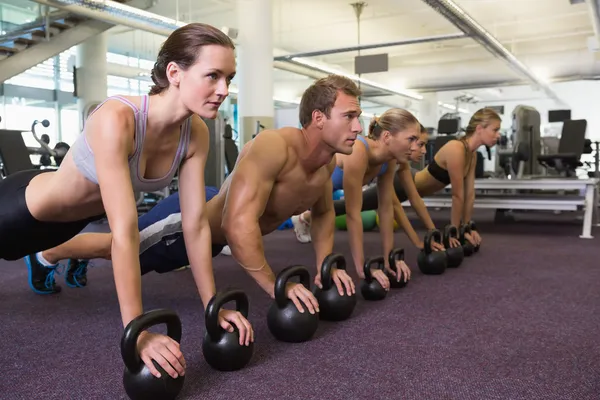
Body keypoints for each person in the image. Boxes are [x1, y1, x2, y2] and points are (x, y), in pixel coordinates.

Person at [0, 23, 252, 380]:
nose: (223, 90)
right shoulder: (117, 118)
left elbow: (195, 224)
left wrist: (213, 307)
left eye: (228, 77)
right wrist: (138, 331)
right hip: (19, 213)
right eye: (212, 76)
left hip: (68, 226)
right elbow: (123, 230)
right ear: (174, 73)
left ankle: (42, 259)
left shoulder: (195, 133)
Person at [29, 74, 363, 326]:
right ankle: (46, 253)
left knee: (131, 255)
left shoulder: (325, 164)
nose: (359, 127)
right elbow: (237, 224)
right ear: (319, 118)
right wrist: (278, 286)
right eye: (349, 116)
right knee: (119, 246)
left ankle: (74, 259)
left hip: (214, 226)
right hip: (188, 219)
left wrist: (324, 266)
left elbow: (321, 215)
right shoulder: (276, 146)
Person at [331, 108, 501, 248]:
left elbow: (465, 195)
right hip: (406, 182)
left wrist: (459, 228)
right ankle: (307, 217)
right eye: (417, 142)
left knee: (350, 206)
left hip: (410, 181)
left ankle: (311, 216)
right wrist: (445, 233)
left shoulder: (471, 155)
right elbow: (399, 205)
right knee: (346, 206)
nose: (423, 151)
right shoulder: (456, 149)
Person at [293, 108, 424, 289]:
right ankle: (301, 218)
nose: (415, 147)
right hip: (303, 182)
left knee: (325, 211)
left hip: (327, 189)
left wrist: (389, 260)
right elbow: (352, 213)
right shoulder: (358, 151)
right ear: (387, 137)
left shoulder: (390, 159)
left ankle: (304, 219)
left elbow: (386, 209)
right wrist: (362, 268)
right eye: (411, 139)